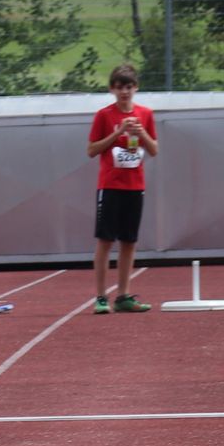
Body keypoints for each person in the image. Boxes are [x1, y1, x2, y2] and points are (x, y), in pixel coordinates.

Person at [86, 62, 156, 314]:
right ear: (112, 90)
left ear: (135, 87)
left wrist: (141, 132)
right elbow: (92, 150)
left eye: (128, 87)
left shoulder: (145, 114)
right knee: (105, 240)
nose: (124, 92)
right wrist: (117, 134)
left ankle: (124, 295)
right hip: (110, 185)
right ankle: (101, 297)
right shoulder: (104, 116)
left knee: (129, 241)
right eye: (119, 88)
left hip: (135, 186)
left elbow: (154, 150)